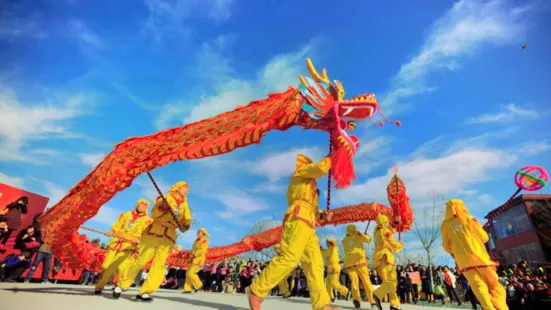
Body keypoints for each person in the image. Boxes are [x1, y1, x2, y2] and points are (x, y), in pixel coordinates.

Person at [246, 154, 340, 310]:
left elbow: (315, 212)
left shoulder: (311, 190)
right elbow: (321, 168)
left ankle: (322, 305)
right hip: (298, 218)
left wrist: (323, 215)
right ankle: (256, 290)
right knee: (290, 257)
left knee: (316, 265)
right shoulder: (300, 173)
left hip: (310, 225)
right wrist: (334, 156)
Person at [114, 181, 192, 302]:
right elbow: (154, 213)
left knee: (159, 265)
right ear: (177, 188)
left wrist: (184, 227)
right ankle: (122, 284)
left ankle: (145, 292)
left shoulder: (185, 205)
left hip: (169, 237)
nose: (187, 190)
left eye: (188, 189)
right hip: (154, 233)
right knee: (141, 261)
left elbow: (187, 221)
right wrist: (162, 207)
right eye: (185, 187)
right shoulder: (166, 198)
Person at [441, 199, 508, 310]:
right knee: (495, 286)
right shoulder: (470, 219)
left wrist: (455, 250)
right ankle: (501, 307)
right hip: (480, 258)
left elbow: (446, 245)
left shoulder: (445, 225)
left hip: (464, 263)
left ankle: (489, 308)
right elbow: (484, 238)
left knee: (478, 286)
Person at [94, 199, 151, 295]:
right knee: (106, 266)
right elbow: (117, 225)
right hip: (116, 242)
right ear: (137, 205)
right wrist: (112, 231)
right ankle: (101, 284)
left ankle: (118, 286)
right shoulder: (126, 214)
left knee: (121, 267)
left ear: (146, 209)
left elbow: (146, 234)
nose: (142, 207)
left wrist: (139, 240)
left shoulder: (147, 220)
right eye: (141, 205)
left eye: (145, 206)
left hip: (129, 245)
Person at [372, 214, 403, 310]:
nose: (388, 223)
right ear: (384, 222)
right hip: (386, 258)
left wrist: (394, 225)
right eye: (387, 222)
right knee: (392, 281)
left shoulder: (376, 231)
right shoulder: (385, 232)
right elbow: (393, 244)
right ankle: (377, 294)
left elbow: (389, 231)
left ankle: (394, 305)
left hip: (378, 259)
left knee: (389, 283)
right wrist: (399, 244)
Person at [342, 226, 375, 308]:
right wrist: (363, 235)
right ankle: (373, 301)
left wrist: (363, 235)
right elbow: (368, 240)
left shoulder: (344, 240)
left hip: (351, 264)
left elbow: (367, 240)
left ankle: (356, 300)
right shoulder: (357, 236)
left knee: (354, 283)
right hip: (360, 263)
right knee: (366, 282)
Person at [322, 238, 349, 302]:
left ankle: (346, 291)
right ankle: (331, 297)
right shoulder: (331, 249)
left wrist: (320, 249)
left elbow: (325, 254)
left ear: (330, 243)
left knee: (334, 283)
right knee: (328, 284)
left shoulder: (332, 249)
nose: (326, 244)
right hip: (331, 269)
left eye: (327, 242)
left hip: (334, 268)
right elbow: (325, 253)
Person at [183, 228, 210, 293]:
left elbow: (203, 251)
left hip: (198, 259)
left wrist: (194, 254)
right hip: (192, 259)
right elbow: (193, 250)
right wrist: (187, 253)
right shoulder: (195, 241)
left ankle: (199, 284)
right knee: (187, 274)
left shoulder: (204, 241)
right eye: (197, 232)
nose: (198, 233)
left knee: (191, 273)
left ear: (203, 234)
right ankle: (187, 289)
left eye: (199, 232)